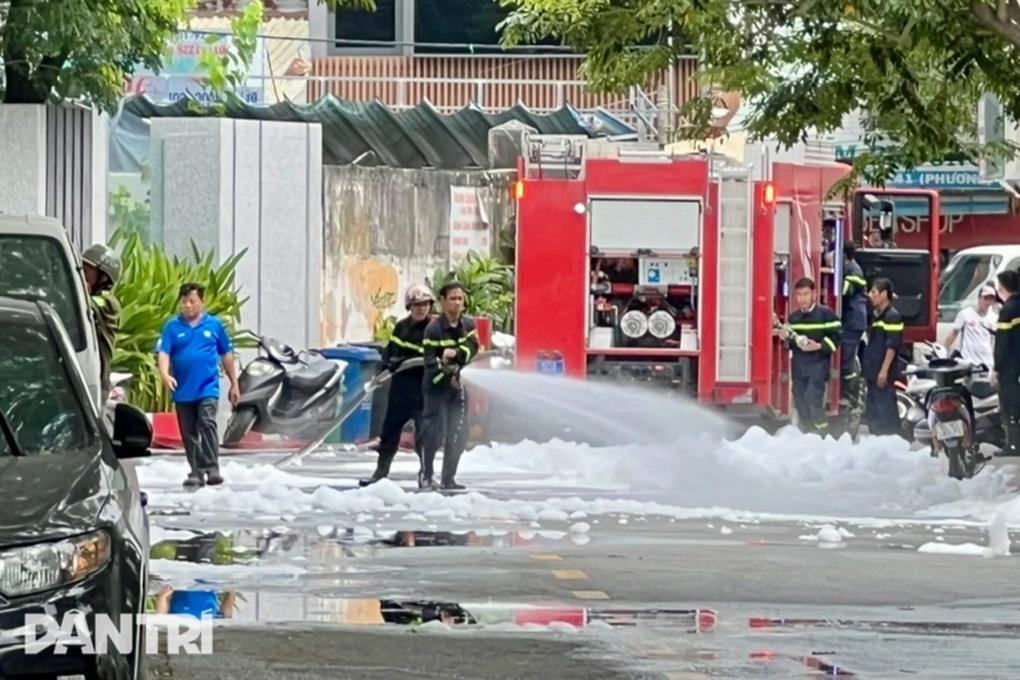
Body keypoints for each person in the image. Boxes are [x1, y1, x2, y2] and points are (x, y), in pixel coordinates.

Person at [157, 283, 240, 487]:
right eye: (184, 301)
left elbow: (226, 355)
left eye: (192, 301)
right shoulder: (172, 327)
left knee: (207, 422)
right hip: (183, 389)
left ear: (202, 302)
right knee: (188, 431)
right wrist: (165, 374)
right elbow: (164, 353)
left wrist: (234, 384)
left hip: (207, 387)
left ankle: (212, 467)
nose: (187, 305)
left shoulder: (214, 325)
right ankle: (196, 470)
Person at [360, 284, 434, 487]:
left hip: (424, 391)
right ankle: (380, 474)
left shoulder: (435, 329)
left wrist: (405, 359)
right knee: (389, 434)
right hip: (400, 391)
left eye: (425, 304)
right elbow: (389, 352)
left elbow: (432, 356)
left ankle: (427, 475)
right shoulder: (402, 327)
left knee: (424, 437)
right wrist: (389, 363)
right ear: (409, 307)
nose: (422, 308)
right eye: (417, 305)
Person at [419, 282, 479, 491]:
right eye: (453, 298)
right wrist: (447, 374)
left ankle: (449, 478)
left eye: (460, 299)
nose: (457, 303)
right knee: (434, 433)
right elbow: (429, 364)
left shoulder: (468, 325)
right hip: (436, 389)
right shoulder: (433, 330)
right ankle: (426, 475)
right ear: (443, 302)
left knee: (459, 433)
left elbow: (473, 348)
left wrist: (457, 353)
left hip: (458, 389)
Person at [779, 278, 842, 435]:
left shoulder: (826, 315)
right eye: (799, 295)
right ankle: (809, 433)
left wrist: (820, 346)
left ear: (814, 293)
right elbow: (789, 345)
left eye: (806, 294)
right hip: (799, 367)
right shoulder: (793, 319)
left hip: (818, 366)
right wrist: (785, 338)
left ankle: (821, 434)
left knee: (812, 400)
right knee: (800, 401)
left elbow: (837, 337)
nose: (802, 298)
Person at [862, 278, 904, 437]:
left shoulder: (892, 317)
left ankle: (891, 440)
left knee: (885, 411)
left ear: (884, 294)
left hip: (882, 374)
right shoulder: (877, 316)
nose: (869, 295)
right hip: (873, 372)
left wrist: (884, 371)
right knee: (873, 412)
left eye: (873, 292)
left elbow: (892, 346)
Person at [81, 243, 122, 396]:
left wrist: (79, 291)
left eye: (87, 270)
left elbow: (84, 305)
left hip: (97, 380)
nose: (81, 274)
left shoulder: (108, 303)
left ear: (103, 277)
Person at [839, 241, 868, 430]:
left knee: (847, 361)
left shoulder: (852, 272)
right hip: (853, 320)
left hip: (852, 321)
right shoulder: (852, 268)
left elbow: (841, 293)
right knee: (847, 359)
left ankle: (849, 397)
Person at [992, 270, 1020, 456]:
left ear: (1001, 287)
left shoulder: (1008, 310)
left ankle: (1013, 445)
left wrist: (996, 368)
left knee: (1010, 405)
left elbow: (1002, 342)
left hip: (1010, 366)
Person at [942, 284, 998, 368]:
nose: (988, 302)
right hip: (968, 361)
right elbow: (954, 333)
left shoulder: (994, 318)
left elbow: (995, 341)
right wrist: (944, 350)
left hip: (986, 362)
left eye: (991, 299)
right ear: (979, 298)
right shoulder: (965, 314)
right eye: (986, 298)